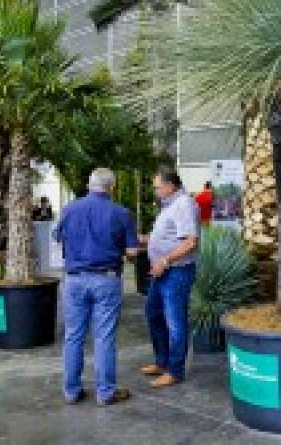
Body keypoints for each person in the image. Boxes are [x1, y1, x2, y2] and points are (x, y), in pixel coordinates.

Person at [55, 168, 139, 406]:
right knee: (104, 337)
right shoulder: (121, 213)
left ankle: (71, 391)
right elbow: (132, 253)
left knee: (73, 336)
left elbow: (58, 238)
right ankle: (105, 392)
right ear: (112, 187)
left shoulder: (69, 209)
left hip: (74, 279)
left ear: (89, 185)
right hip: (106, 279)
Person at [139, 170, 200, 387]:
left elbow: (191, 241)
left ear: (170, 186)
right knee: (154, 314)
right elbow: (168, 236)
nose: (155, 191)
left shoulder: (183, 204)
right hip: (163, 271)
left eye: (157, 187)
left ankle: (175, 371)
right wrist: (145, 239)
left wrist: (164, 261)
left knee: (175, 322)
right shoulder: (170, 205)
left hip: (176, 272)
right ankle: (162, 362)